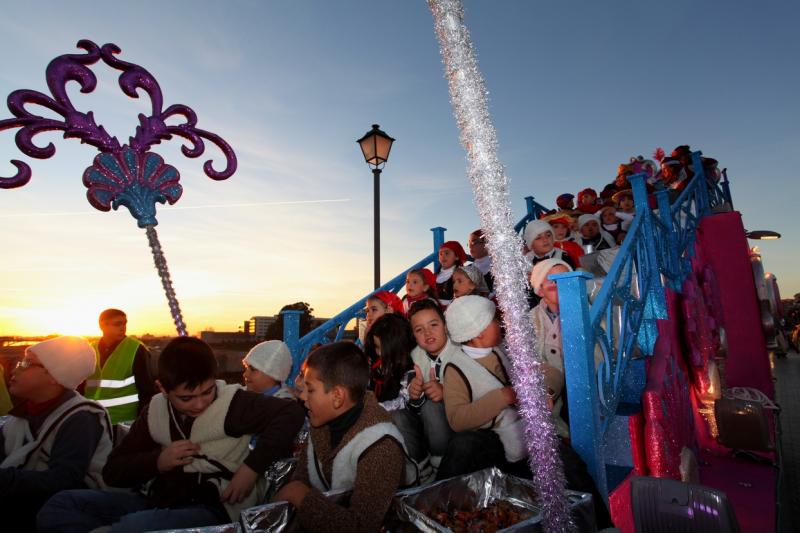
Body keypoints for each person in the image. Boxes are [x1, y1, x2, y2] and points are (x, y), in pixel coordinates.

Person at [38, 336, 305, 533]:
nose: (200, 404)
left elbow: (290, 414)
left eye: (207, 391)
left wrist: (250, 469)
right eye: (186, 398)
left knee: (132, 527)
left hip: (214, 505)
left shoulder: (233, 402)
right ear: (163, 389)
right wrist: (158, 461)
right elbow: (113, 471)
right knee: (61, 505)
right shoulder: (154, 411)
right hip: (156, 498)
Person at [274, 342, 416, 532]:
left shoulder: (382, 447)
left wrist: (299, 495)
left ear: (337, 397)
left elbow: (361, 527)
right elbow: (302, 478)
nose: (302, 397)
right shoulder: (321, 424)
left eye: (311, 389)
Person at [0, 336, 113, 532]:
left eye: (27, 362)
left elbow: (64, 480)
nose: (16, 368)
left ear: (54, 376)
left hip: (67, 512)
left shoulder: (81, 418)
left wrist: (6, 479)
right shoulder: (21, 416)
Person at [437, 296, 528, 480]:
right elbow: (457, 419)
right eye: (493, 320)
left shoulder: (502, 350)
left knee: (570, 465)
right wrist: (503, 397)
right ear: (479, 331)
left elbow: (544, 371)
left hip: (527, 434)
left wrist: (545, 392)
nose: (499, 323)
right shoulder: (455, 368)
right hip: (494, 445)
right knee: (464, 445)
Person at [392, 299, 459, 478]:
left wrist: (445, 392)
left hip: (457, 426)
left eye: (433, 325)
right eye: (419, 330)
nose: (427, 332)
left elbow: (475, 394)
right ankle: (421, 470)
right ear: (414, 335)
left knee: (432, 407)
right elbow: (414, 408)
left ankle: (441, 469)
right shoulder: (415, 356)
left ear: (445, 326)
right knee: (398, 416)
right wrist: (415, 396)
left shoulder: (459, 350)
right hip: (425, 428)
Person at [83, 308, 156, 425]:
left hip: (124, 421)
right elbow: (80, 386)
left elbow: (146, 390)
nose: (123, 328)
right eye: (117, 324)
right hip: (92, 418)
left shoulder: (136, 349)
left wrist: (141, 422)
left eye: (124, 323)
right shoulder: (90, 349)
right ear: (102, 326)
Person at [363, 314, 416, 411]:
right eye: (376, 347)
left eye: (382, 348)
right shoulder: (375, 364)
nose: (378, 352)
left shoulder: (408, 368)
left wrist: (377, 407)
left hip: (395, 416)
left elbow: (404, 401)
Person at [435, 241, 467, 306]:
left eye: (447, 253)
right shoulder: (434, 275)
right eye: (440, 254)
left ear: (457, 257)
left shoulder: (462, 275)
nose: (443, 256)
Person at [468, 229, 494, 294]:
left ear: (487, 244)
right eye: (469, 243)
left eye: (474, 242)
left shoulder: (499, 267)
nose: (470, 246)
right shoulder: (467, 269)